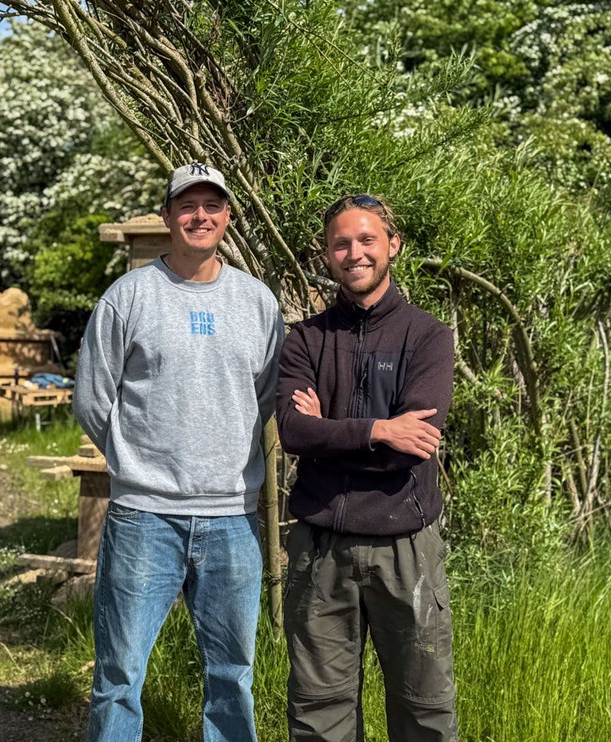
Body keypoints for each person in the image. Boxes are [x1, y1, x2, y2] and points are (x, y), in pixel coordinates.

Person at [73, 162, 284, 742]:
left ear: (227, 216)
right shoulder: (128, 297)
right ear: (166, 217)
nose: (199, 216)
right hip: (144, 516)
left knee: (233, 676)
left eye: (211, 206)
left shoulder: (258, 303)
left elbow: (265, 397)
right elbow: (92, 397)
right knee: (119, 674)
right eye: (186, 206)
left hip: (234, 517)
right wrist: (136, 466)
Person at [276, 194, 458, 741]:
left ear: (392, 246)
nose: (354, 252)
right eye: (341, 243)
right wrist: (380, 428)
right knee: (318, 713)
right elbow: (294, 432)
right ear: (328, 256)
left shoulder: (427, 336)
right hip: (320, 548)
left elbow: (413, 447)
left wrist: (329, 432)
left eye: (366, 240)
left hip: (407, 547)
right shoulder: (305, 340)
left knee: (423, 707)